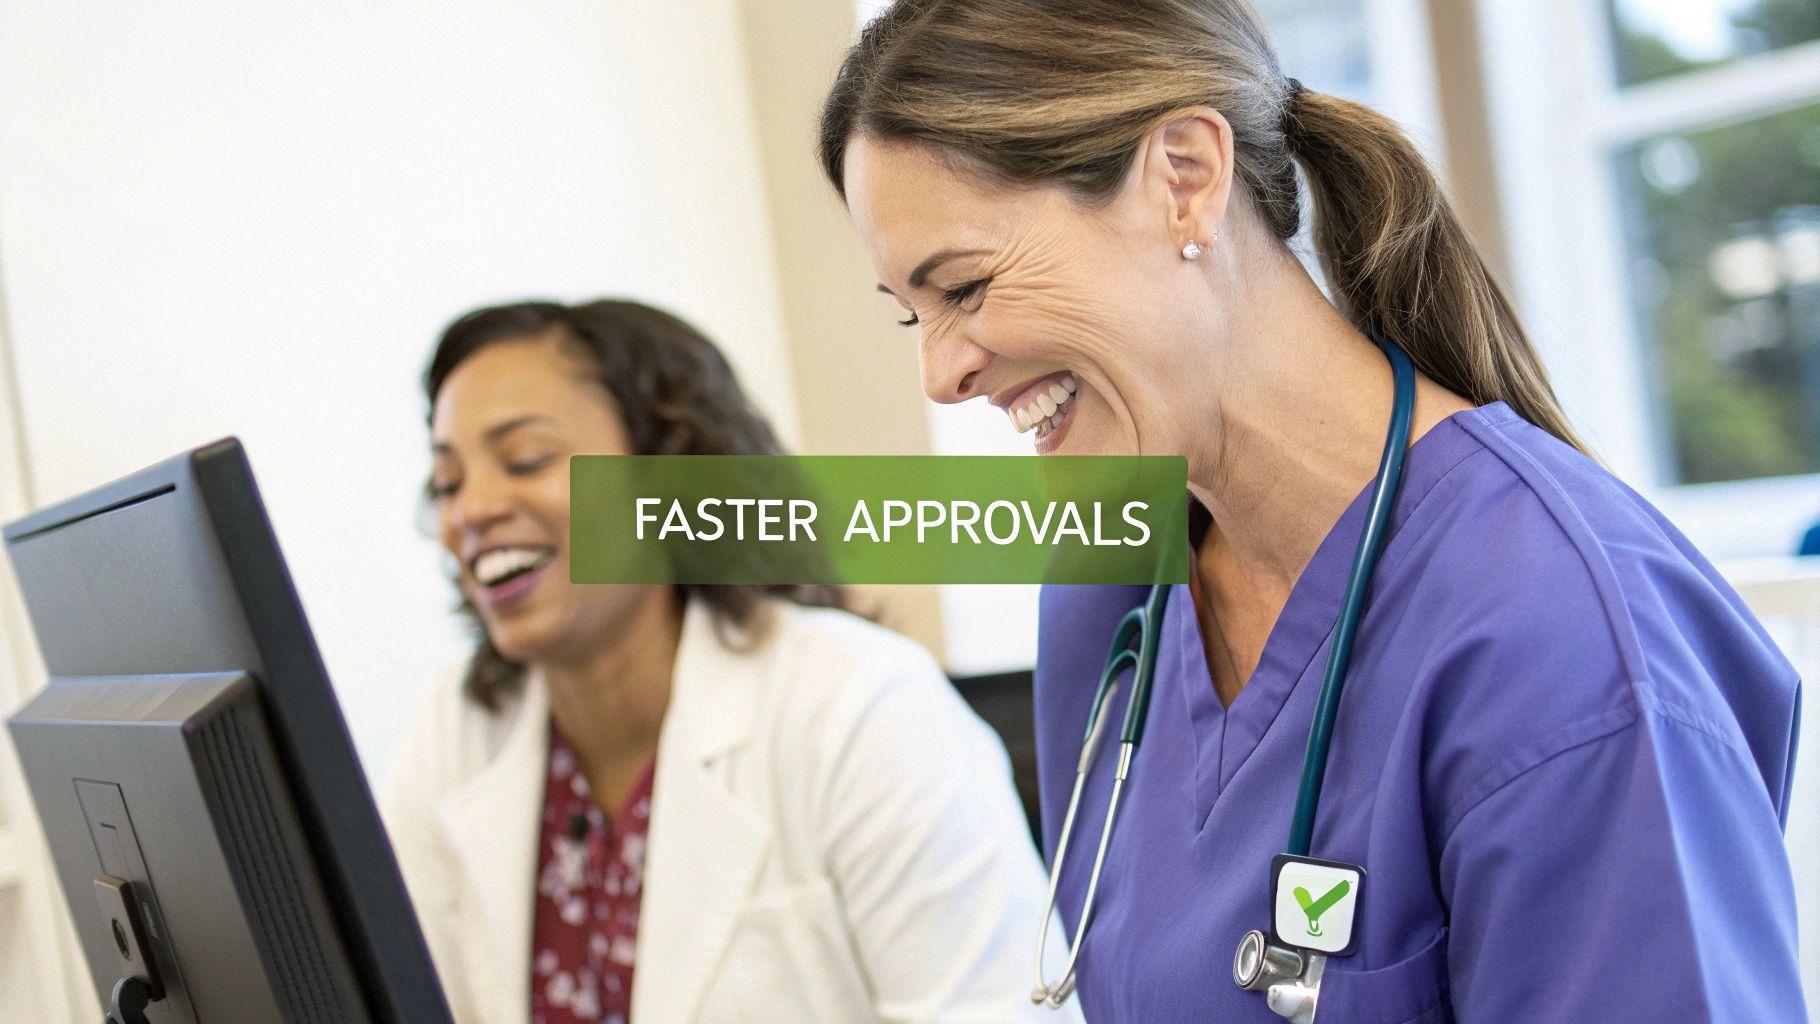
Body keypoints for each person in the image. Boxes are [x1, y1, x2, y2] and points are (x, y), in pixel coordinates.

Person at [817, 2, 1806, 1022]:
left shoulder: (1561, 636)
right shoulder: (1106, 593)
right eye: (911, 313)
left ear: (1184, 179)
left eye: (965, 287)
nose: (939, 373)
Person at [381, 299, 1072, 1024]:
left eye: (526, 460)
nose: (471, 511)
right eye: (448, 483)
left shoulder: (861, 707)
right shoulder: (457, 733)